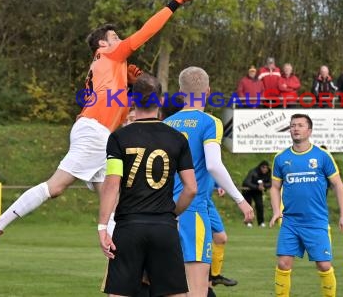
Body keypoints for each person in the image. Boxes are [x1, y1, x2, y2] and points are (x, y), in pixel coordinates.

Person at [0, 0, 194, 262]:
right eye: (115, 37)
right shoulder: (110, 56)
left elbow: (135, 97)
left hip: (98, 133)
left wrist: (133, 80)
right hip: (94, 132)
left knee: (115, 199)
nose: (121, 40)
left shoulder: (108, 65)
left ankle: (126, 262)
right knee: (55, 187)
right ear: (102, 45)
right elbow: (146, 32)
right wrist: (174, 2)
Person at [98, 73, 197, 297]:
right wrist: (171, 212)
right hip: (164, 227)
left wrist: (103, 226)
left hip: (129, 227)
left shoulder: (118, 138)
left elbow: (112, 185)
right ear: (160, 100)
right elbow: (191, 188)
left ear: (132, 100)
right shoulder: (178, 138)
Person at [163, 66, 254, 297]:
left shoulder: (165, 124)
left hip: (164, 213)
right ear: (208, 91)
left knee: (172, 287)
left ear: (181, 92)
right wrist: (240, 199)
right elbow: (213, 164)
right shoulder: (210, 122)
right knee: (197, 289)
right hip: (192, 211)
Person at [270, 114, 343, 297]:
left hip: (316, 221)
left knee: (324, 265)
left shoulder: (322, 156)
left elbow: (338, 184)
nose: (295, 128)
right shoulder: (281, 158)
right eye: (292, 125)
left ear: (309, 130)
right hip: (290, 221)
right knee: (283, 263)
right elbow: (275, 188)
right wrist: (276, 210)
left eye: (300, 125)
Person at [241, 160, 272, 227]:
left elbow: (270, 183)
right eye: (263, 167)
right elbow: (246, 182)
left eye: (266, 167)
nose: (265, 169)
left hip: (257, 191)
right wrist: (257, 187)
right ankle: (249, 222)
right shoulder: (253, 171)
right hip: (247, 190)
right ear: (260, 167)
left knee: (260, 205)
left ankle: (261, 223)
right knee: (248, 206)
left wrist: (264, 186)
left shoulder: (269, 173)